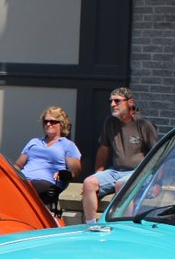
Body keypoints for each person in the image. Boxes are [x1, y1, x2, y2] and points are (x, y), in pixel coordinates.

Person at [81, 87, 158, 220]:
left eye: (117, 101)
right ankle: (91, 225)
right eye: (111, 101)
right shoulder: (109, 122)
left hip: (138, 172)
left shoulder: (143, 124)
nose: (112, 105)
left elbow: (158, 154)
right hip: (115, 171)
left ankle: (125, 225)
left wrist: (158, 182)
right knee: (89, 182)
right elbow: (103, 149)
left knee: (121, 185)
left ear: (130, 103)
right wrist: (98, 172)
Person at [14, 106, 81, 200]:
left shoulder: (67, 145)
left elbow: (75, 171)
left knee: (23, 189)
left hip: (47, 182)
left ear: (61, 124)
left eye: (53, 122)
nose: (48, 124)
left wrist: (63, 173)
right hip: (24, 179)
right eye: (46, 122)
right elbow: (17, 165)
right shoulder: (34, 142)